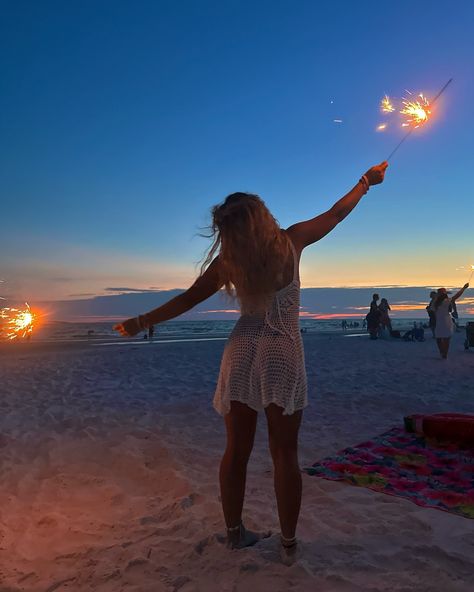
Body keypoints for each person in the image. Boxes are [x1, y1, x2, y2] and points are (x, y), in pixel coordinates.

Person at [114, 162, 388, 564]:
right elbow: (336, 213)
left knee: (236, 451)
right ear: (262, 217)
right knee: (284, 453)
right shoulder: (291, 241)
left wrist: (141, 321)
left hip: (242, 351)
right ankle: (289, 545)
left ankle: (234, 533)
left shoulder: (229, 263)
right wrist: (366, 183)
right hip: (281, 350)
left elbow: (187, 299)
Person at [434, 284, 469, 359]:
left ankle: (442, 353)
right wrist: (463, 288)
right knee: (445, 338)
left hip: (440, 321)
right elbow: (457, 296)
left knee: (439, 338)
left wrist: (463, 288)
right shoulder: (445, 301)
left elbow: (432, 310)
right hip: (445, 320)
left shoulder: (437, 302)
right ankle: (444, 354)